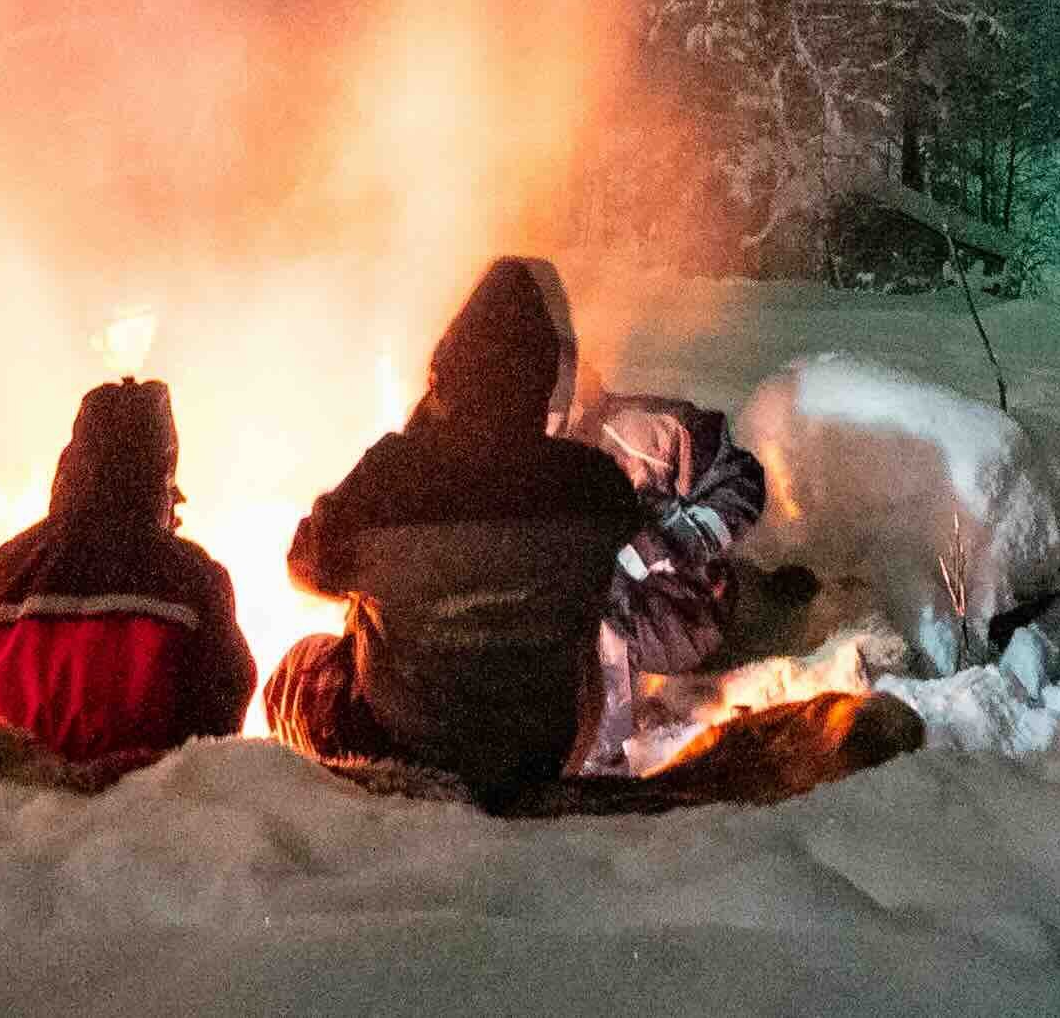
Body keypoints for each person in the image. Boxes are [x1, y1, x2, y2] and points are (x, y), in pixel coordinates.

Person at [265, 254, 635, 801]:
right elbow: (623, 522)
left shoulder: (394, 472)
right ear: (546, 378)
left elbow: (308, 566)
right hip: (541, 750)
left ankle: (344, 803)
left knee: (297, 670)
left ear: (447, 365)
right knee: (589, 640)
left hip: (400, 742)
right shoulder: (590, 482)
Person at [0, 376, 255, 773]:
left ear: (66, 472)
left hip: (1, 802)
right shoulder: (194, 576)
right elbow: (219, 724)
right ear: (158, 483)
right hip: (134, 802)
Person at [570, 378, 766, 678]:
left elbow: (740, 485)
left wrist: (667, 543)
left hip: (683, 616)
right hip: (623, 618)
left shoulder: (635, 436)